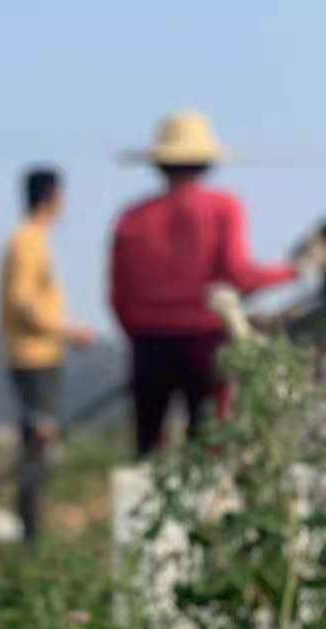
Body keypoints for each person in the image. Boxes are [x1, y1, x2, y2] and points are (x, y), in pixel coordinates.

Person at [110, 110, 296, 456]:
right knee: (209, 445)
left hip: (149, 345)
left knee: (148, 448)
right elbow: (239, 275)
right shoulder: (222, 207)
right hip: (206, 342)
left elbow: (118, 294)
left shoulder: (132, 218)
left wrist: (141, 334)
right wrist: (294, 271)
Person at [0, 166, 95, 543]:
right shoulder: (27, 242)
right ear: (52, 197)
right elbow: (22, 302)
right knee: (38, 445)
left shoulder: (31, 240)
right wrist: (67, 330)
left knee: (39, 447)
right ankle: (31, 536)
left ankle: (33, 531)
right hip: (33, 358)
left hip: (38, 356)